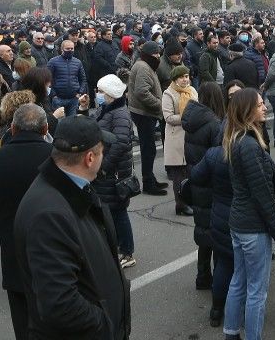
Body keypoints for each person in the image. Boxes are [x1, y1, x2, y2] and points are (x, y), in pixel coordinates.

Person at [13, 115, 130, 340]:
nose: (103, 157)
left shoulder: (71, 190)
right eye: (102, 152)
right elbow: (59, 304)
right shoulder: (49, 216)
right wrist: (105, 326)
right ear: (89, 158)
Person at [0, 103, 53, 340]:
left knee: (23, 319)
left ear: (13, 129)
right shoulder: (57, 157)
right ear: (45, 129)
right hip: (54, 248)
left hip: (14, 249)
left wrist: (6, 224)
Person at [223, 88, 275, 340]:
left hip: (239, 223)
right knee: (257, 291)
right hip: (252, 227)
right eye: (259, 104)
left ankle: (230, 332)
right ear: (247, 110)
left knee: (239, 280)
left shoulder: (237, 138)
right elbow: (262, 195)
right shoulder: (248, 144)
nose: (265, 107)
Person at [90, 73, 137, 269]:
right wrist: (83, 108)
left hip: (113, 173)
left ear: (110, 93)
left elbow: (120, 143)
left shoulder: (120, 113)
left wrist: (103, 167)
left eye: (100, 91)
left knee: (118, 213)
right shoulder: (105, 109)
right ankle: (115, 247)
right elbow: (91, 127)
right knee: (108, 212)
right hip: (105, 172)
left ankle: (127, 252)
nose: (97, 94)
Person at [183, 81, 226, 293]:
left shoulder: (192, 121)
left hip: (196, 179)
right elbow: (218, 156)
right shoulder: (214, 124)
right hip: (212, 184)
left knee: (203, 230)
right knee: (217, 233)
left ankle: (202, 275)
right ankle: (217, 278)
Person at [129, 40, 168, 196]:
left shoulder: (145, 65)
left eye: (159, 53)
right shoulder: (143, 67)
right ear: (148, 54)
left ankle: (150, 178)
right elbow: (142, 92)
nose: (158, 56)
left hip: (145, 112)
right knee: (148, 149)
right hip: (144, 113)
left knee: (149, 148)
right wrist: (159, 104)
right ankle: (148, 183)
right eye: (155, 54)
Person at [162, 65, 198, 215]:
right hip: (176, 138)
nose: (185, 79)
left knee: (190, 172)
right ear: (175, 79)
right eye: (182, 77)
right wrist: (187, 117)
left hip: (191, 136)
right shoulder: (168, 93)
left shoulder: (192, 90)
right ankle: (181, 205)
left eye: (186, 76)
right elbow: (168, 117)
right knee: (179, 175)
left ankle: (190, 201)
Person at [47, 40, 87, 117]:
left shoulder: (77, 62)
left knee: (72, 122)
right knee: (58, 122)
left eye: (72, 48)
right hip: (58, 98)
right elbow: (47, 79)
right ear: (62, 49)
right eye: (67, 48)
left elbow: (83, 79)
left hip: (74, 98)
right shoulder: (53, 62)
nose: (70, 50)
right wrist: (53, 95)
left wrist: (80, 92)